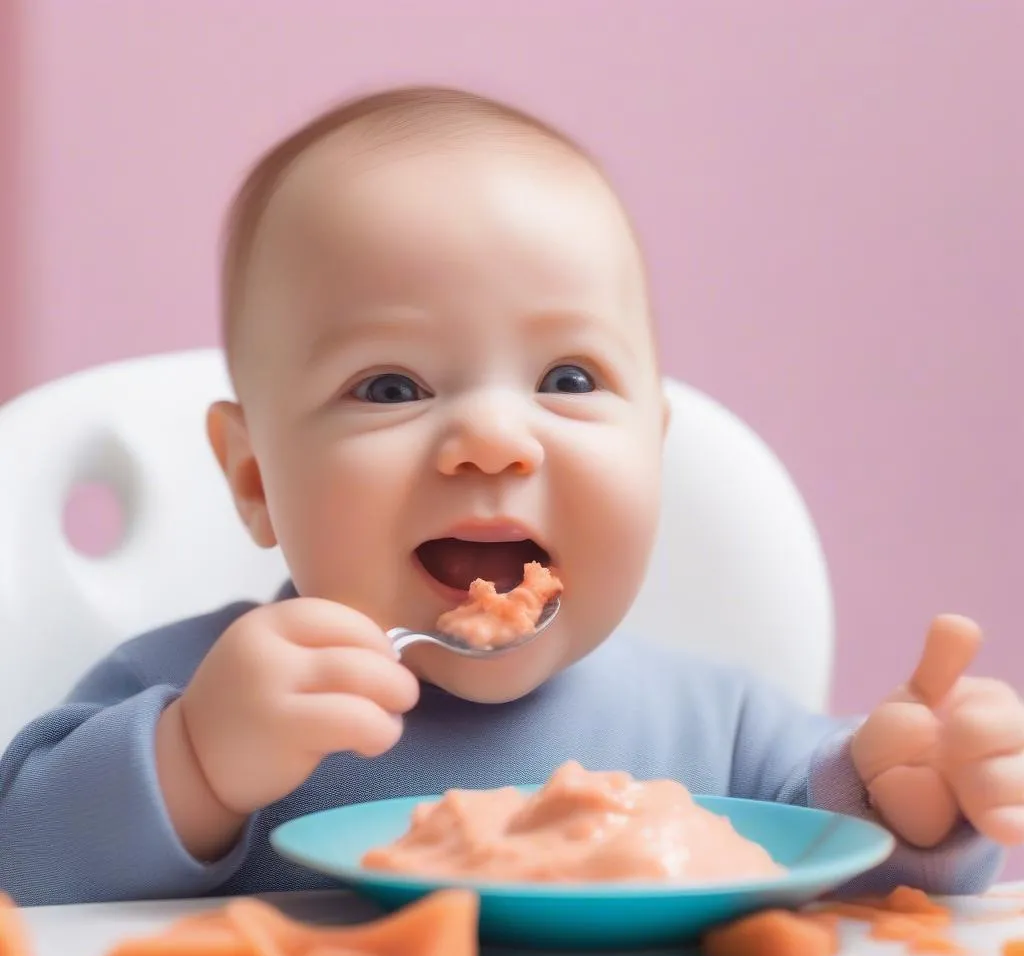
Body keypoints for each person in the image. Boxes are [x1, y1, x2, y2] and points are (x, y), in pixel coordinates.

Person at [2, 88, 1021, 906]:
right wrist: (194, 763)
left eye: (568, 380)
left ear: (653, 452)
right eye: (390, 387)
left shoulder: (723, 733)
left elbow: (855, 873)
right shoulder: (190, 691)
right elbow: (23, 858)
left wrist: (919, 802)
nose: (492, 437)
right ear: (257, 479)